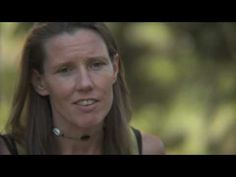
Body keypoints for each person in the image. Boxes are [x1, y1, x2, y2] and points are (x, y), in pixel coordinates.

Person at [0, 22, 165, 155]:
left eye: (96, 65)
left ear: (115, 68)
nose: (85, 83)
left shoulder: (147, 150)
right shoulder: (7, 150)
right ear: (39, 82)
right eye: (65, 70)